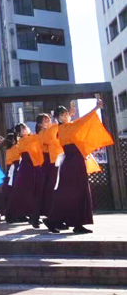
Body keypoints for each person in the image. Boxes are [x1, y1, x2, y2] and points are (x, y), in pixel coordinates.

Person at [45, 99, 113, 234]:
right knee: (76, 192)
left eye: (65, 114)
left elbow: (82, 121)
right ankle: (68, 222)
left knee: (70, 193)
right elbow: (85, 119)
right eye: (61, 115)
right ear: (57, 118)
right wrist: (96, 107)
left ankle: (63, 221)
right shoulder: (66, 127)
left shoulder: (64, 128)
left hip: (73, 162)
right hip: (73, 162)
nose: (64, 116)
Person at [4, 123, 43, 228]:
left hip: (33, 167)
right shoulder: (23, 141)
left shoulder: (29, 139)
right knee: (30, 193)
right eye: (22, 129)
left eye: (25, 127)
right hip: (28, 168)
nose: (25, 128)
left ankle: (33, 216)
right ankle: (32, 217)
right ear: (19, 133)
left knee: (33, 193)